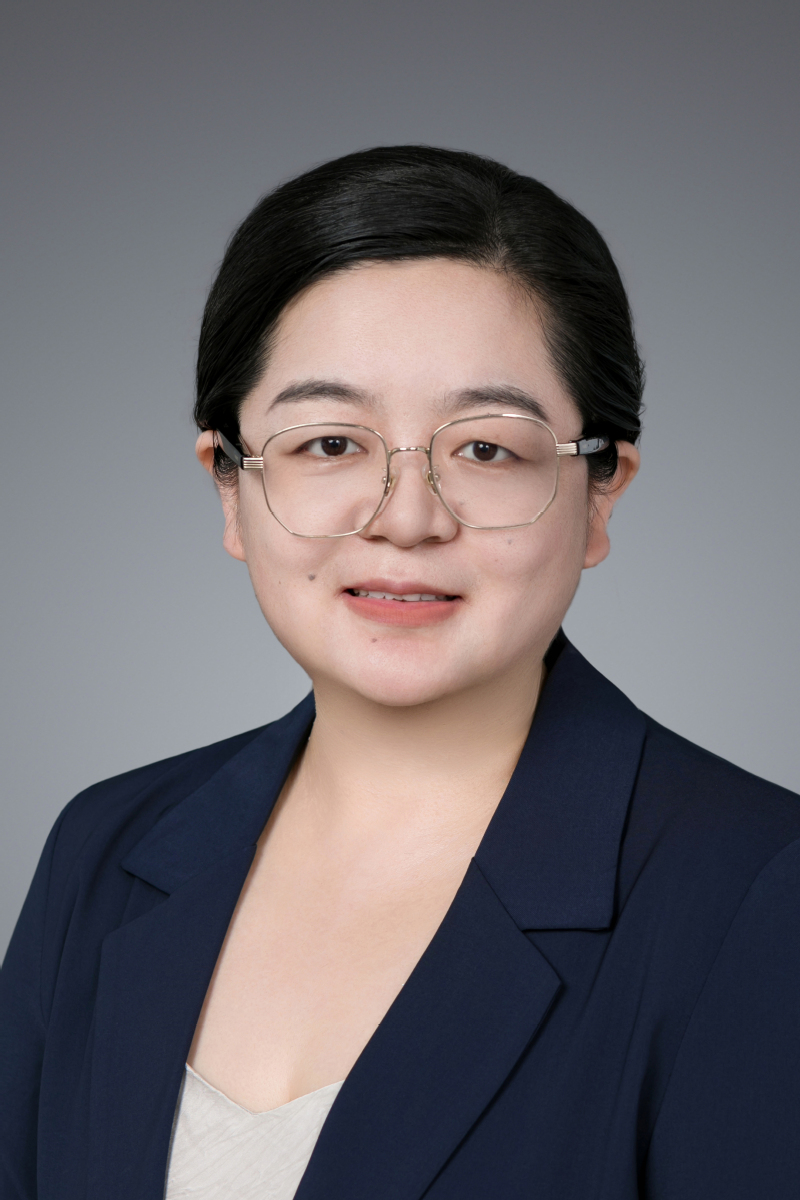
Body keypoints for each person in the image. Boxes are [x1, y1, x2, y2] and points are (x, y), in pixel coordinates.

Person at [1, 146, 798, 1200]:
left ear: (600, 494)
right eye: (331, 443)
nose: (406, 518)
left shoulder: (756, 892)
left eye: (486, 449)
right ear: (230, 489)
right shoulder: (104, 849)